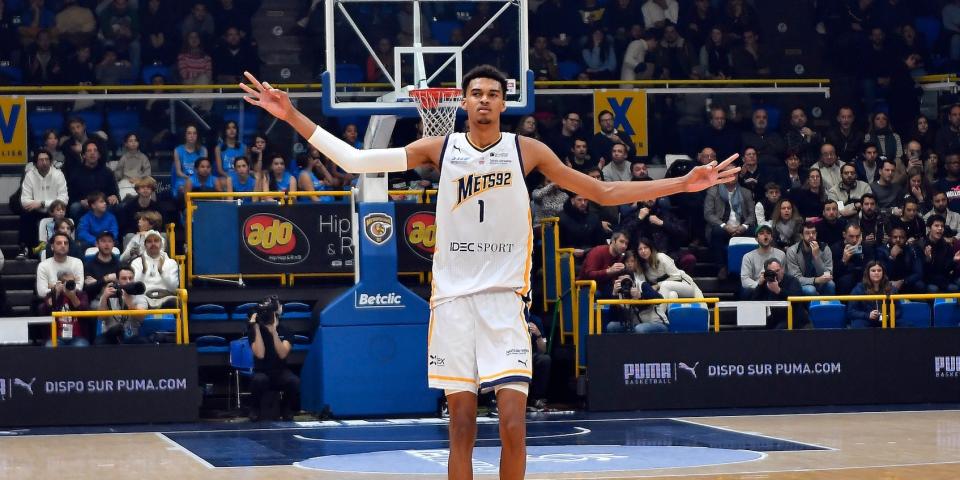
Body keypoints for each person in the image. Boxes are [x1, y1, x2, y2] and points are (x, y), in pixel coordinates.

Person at [241, 65, 739, 480]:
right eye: (476, 94)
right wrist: (292, 115)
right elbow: (354, 159)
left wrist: (682, 184)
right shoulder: (440, 148)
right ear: (461, 101)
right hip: (453, 305)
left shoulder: (527, 151)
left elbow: (602, 192)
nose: (483, 101)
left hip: (504, 304)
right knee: (460, 424)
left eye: (493, 95)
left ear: (504, 104)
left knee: (513, 425)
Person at [247, 296, 300, 421]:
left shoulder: (286, 330)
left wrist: (274, 332)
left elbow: (282, 354)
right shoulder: (254, 330)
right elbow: (260, 354)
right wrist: (256, 328)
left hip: (280, 371)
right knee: (259, 380)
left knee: (294, 381)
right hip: (262, 371)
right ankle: (255, 408)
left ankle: (286, 408)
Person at [19, 150, 69, 255]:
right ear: (36, 163)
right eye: (41, 160)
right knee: (25, 215)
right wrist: (38, 205)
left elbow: (64, 199)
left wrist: (42, 203)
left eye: (47, 159)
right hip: (35, 211)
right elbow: (24, 200)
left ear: (50, 162)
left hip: (54, 211)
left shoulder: (58, 175)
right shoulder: (29, 175)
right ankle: (26, 249)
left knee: (64, 214)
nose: (44, 162)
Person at [95, 265, 150, 345]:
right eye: (124, 278)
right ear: (117, 280)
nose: (128, 281)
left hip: (131, 336)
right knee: (99, 342)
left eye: (130, 278)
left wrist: (129, 303)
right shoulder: (109, 293)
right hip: (111, 335)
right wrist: (104, 298)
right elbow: (101, 317)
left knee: (143, 342)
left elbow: (141, 318)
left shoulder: (139, 296)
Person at [751, 257, 805, 329]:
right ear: (766, 272)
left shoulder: (792, 280)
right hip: (772, 317)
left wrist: (778, 291)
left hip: (791, 316)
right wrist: (760, 285)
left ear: (782, 269)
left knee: (779, 329)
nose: (776, 274)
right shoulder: (765, 282)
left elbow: (797, 299)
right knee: (752, 327)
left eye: (778, 270)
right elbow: (755, 301)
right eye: (772, 272)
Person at [131, 230, 180, 308]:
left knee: (174, 302)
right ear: (145, 245)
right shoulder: (136, 262)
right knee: (137, 303)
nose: (153, 244)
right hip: (144, 298)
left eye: (156, 241)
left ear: (161, 244)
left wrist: (161, 272)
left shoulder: (171, 262)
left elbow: (173, 288)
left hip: (166, 297)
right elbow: (134, 288)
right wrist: (143, 271)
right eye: (149, 241)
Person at [785, 221, 835, 296]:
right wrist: (815, 280)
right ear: (801, 235)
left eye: (813, 232)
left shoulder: (825, 249)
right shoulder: (792, 251)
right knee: (810, 290)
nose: (811, 235)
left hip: (821, 282)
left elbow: (828, 274)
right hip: (803, 285)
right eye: (807, 233)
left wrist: (817, 257)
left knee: (830, 284)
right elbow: (795, 278)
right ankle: (811, 308)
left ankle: (828, 307)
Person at [739, 224, 785, 298]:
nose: (765, 235)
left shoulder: (781, 254)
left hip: (775, 286)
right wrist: (759, 285)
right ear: (756, 239)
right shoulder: (748, 256)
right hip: (756, 288)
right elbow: (745, 280)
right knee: (746, 291)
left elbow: (784, 276)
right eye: (761, 233)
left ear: (771, 238)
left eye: (768, 233)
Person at [846, 261, 894, 328]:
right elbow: (851, 312)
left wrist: (888, 316)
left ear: (883, 273)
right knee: (858, 324)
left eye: (879, 270)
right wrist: (868, 315)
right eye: (873, 271)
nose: (876, 273)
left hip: (887, 320)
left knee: (905, 324)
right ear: (868, 273)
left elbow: (898, 310)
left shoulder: (891, 288)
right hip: (866, 320)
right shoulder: (858, 289)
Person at [878, 226, 924, 294]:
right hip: (889, 282)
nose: (898, 240)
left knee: (920, 285)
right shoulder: (881, 250)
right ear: (890, 238)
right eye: (895, 237)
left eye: (901, 237)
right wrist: (892, 257)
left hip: (906, 282)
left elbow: (919, 273)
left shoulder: (912, 250)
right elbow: (882, 274)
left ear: (906, 239)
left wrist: (903, 281)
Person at [82, 231, 120, 302]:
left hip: (116, 299)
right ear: (97, 244)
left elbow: (123, 284)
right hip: (96, 300)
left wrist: (97, 282)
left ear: (113, 244)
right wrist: (106, 279)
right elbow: (87, 289)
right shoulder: (89, 265)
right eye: (103, 241)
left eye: (110, 241)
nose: (107, 244)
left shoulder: (119, 264)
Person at [113, 133, 151, 200]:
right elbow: (118, 174)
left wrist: (139, 179)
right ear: (126, 144)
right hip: (125, 182)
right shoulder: (123, 158)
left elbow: (147, 172)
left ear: (138, 143)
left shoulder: (143, 157)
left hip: (140, 182)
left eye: (135, 140)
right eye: (130, 141)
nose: (133, 143)